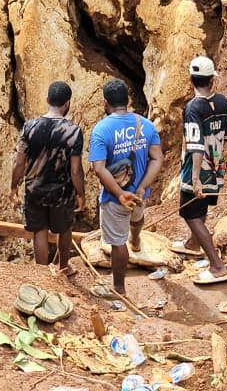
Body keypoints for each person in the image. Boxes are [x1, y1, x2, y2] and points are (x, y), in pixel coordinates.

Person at [88, 79, 162, 298]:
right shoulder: (146, 125)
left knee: (117, 243)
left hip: (115, 197)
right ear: (128, 100)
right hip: (140, 193)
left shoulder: (101, 130)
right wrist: (141, 188)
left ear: (105, 103)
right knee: (137, 217)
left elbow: (99, 168)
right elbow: (157, 159)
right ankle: (137, 241)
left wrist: (120, 194)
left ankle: (119, 288)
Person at [10, 81, 84, 275]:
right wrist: (80, 194)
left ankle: (42, 274)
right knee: (65, 228)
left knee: (40, 231)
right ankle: (64, 267)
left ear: (47, 100)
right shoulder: (73, 131)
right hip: (62, 191)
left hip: (35, 189)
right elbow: (75, 170)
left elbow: (20, 163)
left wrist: (13, 187)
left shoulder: (30, 127)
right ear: (67, 103)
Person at [173, 56, 227, 284]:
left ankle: (217, 266)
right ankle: (193, 243)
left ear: (191, 80)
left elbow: (196, 144)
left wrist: (196, 177)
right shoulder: (222, 102)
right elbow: (226, 134)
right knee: (202, 205)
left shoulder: (192, 108)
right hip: (216, 164)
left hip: (197, 167)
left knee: (189, 213)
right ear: (212, 80)